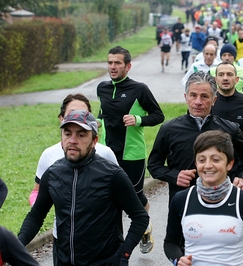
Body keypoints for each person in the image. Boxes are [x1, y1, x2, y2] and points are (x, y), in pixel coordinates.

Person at [18, 110, 149, 265]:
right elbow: (36, 216)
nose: (72, 140)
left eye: (81, 135)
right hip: (64, 261)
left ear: (94, 141)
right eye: (67, 134)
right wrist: (16, 245)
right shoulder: (52, 174)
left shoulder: (112, 175)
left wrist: (123, 254)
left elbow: (140, 217)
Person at [164, 130, 243, 266]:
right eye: (202, 160)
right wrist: (178, 259)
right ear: (196, 164)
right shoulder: (181, 200)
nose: (208, 165)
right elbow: (170, 242)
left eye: (216, 159)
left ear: (229, 164)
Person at [28, 93, 119, 265]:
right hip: (62, 241)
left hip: (99, 247)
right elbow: (36, 194)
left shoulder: (105, 154)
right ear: (62, 119)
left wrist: (123, 251)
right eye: (72, 114)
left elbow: (123, 196)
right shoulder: (49, 157)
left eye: (84, 115)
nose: (73, 139)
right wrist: (45, 203)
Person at [148, 71, 243, 203]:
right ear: (186, 97)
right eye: (193, 95)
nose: (198, 102)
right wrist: (175, 176)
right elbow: (154, 165)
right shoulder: (169, 129)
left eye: (204, 96)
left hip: (222, 202)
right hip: (183, 203)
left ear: (214, 100)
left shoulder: (230, 129)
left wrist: (242, 176)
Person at [97, 46, 165, 254]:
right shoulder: (103, 88)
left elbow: (158, 115)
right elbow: (103, 113)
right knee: (108, 197)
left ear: (128, 66)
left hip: (132, 155)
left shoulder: (140, 89)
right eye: (110, 62)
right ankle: (113, 240)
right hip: (107, 154)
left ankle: (144, 227)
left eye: (118, 63)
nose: (113, 66)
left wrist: (138, 120)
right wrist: (96, 122)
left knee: (135, 197)